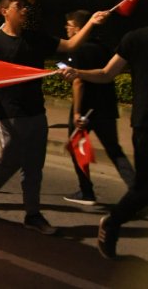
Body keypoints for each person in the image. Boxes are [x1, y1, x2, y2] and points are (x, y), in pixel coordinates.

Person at [0, 0, 107, 235]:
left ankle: (32, 214)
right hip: (9, 111)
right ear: (5, 11)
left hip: (36, 109)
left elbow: (70, 45)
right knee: (12, 158)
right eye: (19, 6)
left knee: (34, 165)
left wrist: (91, 23)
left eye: (25, 7)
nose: (24, 10)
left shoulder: (35, 38)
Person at [62, 25, 148, 259]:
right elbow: (107, 73)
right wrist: (78, 73)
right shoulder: (136, 38)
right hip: (145, 124)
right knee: (143, 190)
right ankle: (112, 222)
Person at [61, 10, 134, 205]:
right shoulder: (104, 47)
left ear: (79, 28)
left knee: (76, 147)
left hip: (85, 107)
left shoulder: (78, 49)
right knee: (114, 150)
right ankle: (137, 191)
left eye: (69, 25)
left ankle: (86, 192)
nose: (67, 29)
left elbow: (78, 82)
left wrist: (77, 111)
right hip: (107, 105)